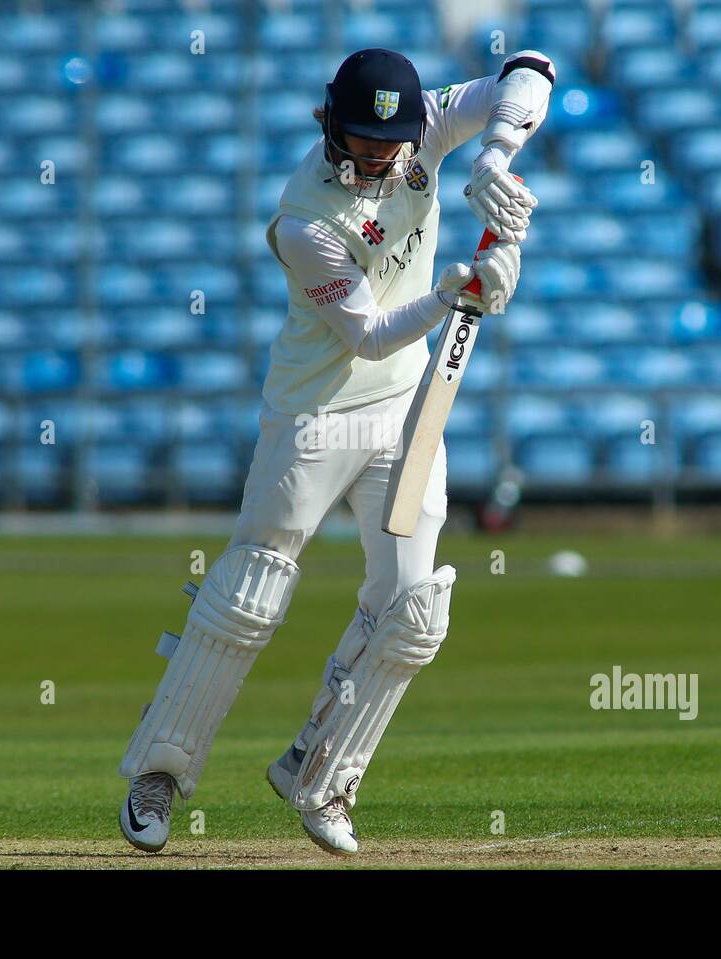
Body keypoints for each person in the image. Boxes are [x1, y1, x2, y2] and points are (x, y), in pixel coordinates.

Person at [119, 46, 555, 855]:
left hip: (403, 414)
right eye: (361, 141)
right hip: (315, 416)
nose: (380, 157)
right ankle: (160, 774)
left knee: (413, 608)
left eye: (390, 143)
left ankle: (321, 773)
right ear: (330, 126)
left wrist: (495, 154)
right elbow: (372, 333)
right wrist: (458, 289)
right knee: (251, 593)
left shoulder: (424, 127)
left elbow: (531, 71)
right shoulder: (303, 221)